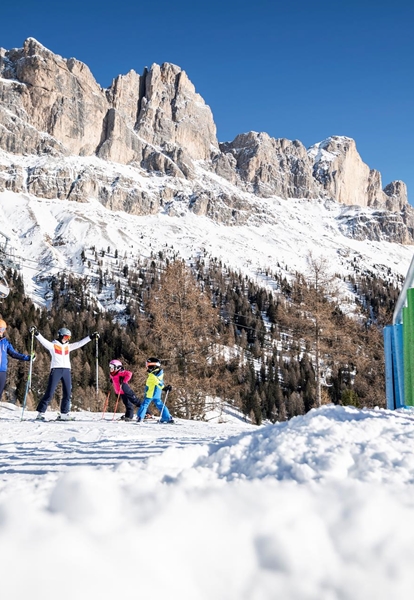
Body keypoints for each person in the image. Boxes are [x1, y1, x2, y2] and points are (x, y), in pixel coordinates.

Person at [30, 326, 99, 420]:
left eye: (69, 338)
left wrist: (91, 337)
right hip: (56, 370)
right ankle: (41, 413)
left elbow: (80, 343)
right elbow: (43, 341)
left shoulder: (68, 347)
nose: (67, 339)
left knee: (67, 392)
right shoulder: (53, 345)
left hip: (66, 370)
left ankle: (64, 413)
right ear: (60, 336)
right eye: (66, 337)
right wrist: (36, 333)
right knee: (50, 392)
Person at [0, 318, 33, 401]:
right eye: (0, 328)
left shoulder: (5, 342)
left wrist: (27, 358)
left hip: (2, 371)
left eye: (3, 329)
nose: (1, 331)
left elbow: (14, 354)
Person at [137, 357, 173, 423]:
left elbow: (157, 381)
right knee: (159, 404)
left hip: (151, 392)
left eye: (148, 366)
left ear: (153, 366)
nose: (147, 367)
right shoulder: (159, 373)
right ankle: (167, 417)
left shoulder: (152, 375)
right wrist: (163, 387)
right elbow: (159, 381)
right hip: (156, 392)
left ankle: (140, 417)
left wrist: (164, 388)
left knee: (145, 404)